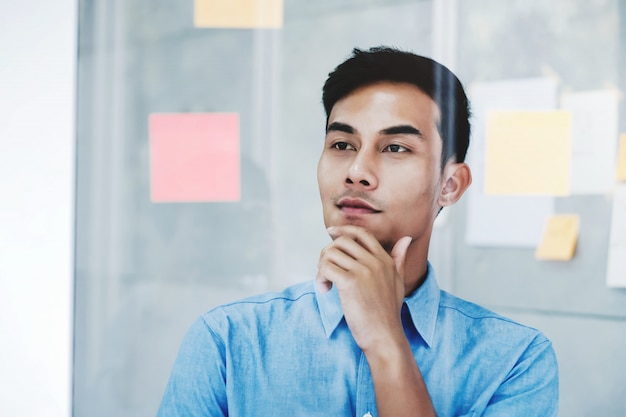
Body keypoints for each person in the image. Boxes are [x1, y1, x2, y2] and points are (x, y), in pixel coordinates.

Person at [156, 46, 559, 417]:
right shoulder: (227, 342)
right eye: (343, 144)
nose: (357, 172)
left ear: (450, 185)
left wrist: (387, 342)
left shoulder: (514, 360)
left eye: (395, 148)